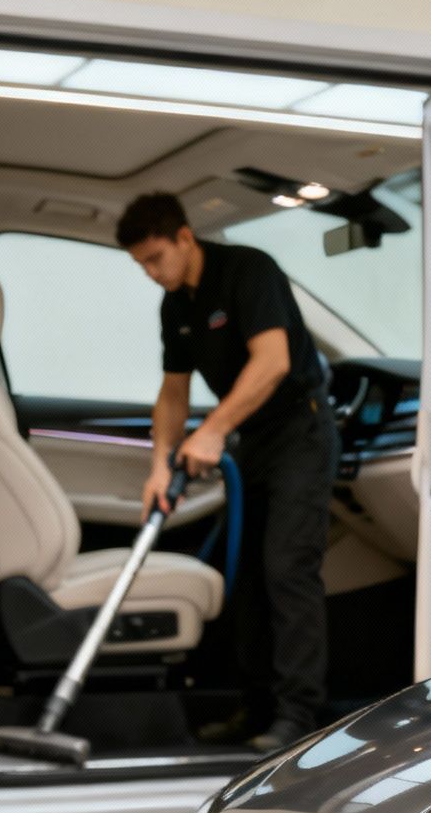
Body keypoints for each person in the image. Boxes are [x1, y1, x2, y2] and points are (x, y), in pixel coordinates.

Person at [117, 193, 337, 753]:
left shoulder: (248, 271)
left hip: (299, 433)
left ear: (184, 237)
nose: (151, 273)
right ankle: (256, 708)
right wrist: (159, 467)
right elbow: (173, 393)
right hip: (252, 441)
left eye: (155, 258)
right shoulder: (176, 306)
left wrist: (212, 430)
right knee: (248, 576)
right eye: (141, 265)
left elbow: (273, 361)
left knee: (287, 569)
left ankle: (299, 716)